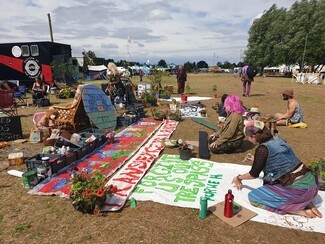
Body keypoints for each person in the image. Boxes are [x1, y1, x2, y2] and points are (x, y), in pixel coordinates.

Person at [231, 120, 322, 218]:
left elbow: (253, 174)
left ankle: (299, 211)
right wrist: (257, 160)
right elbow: (283, 159)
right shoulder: (277, 139)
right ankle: (307, 203)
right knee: (287, 180)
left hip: (300, 190)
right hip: (313, 184)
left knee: (254, 197)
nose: (248, 140)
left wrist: (239, 178)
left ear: (253, 136)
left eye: (248, 137)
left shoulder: (262, 149)